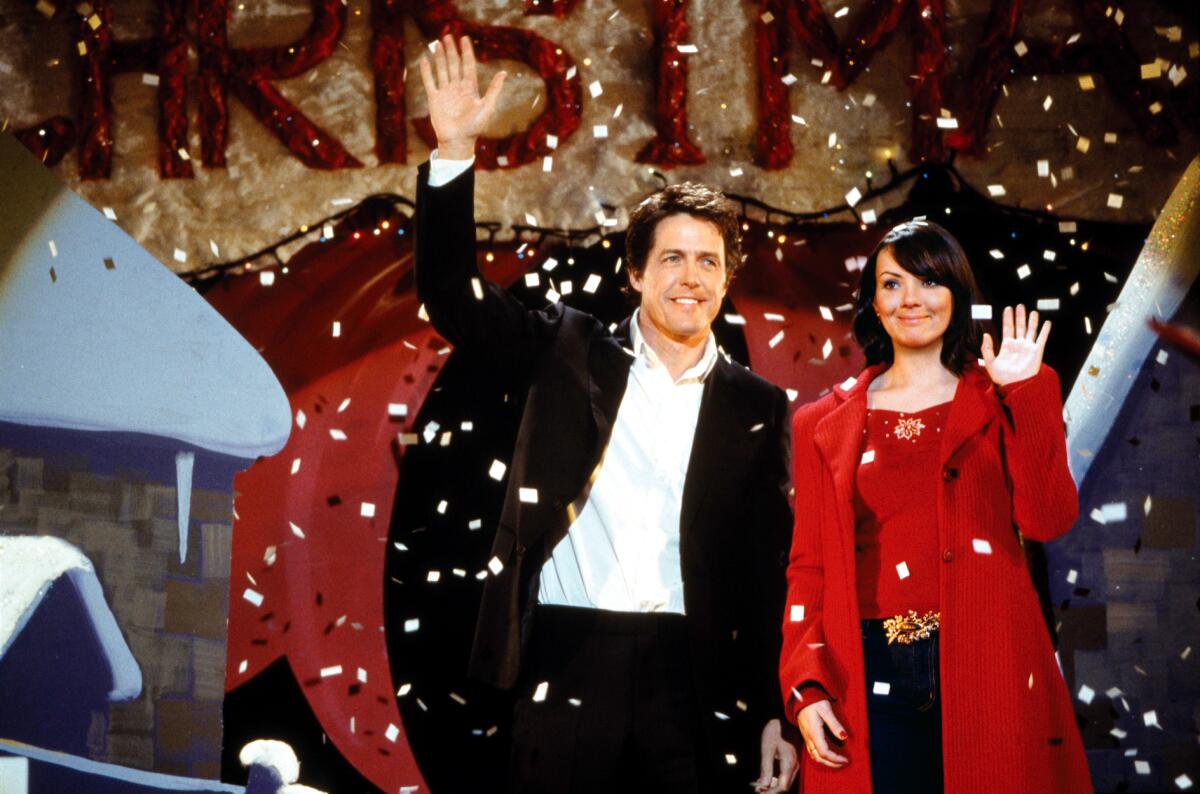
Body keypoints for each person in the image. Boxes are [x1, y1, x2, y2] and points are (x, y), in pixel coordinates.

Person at [414, 35, 798, 793]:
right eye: (672, 259)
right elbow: (452, 298)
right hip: (565, 650)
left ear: (726, 281)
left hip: (692, 672)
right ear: (634, 273)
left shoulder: (758, 406)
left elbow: (764, 572)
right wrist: (455, 149)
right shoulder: (568, 350)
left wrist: (768, 711)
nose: (690, 278)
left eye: (708, 262)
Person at [779, 220, 1093, 793]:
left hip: (987, 659)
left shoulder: (1005, 392)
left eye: (929, 281)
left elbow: (1048, 519)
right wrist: (806, 684)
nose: (912, 300)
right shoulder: (822, 422)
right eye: (893, 284)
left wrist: (1025, 391)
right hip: (867, 671)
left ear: (957, 293)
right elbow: (809, 568)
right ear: (873, 302)